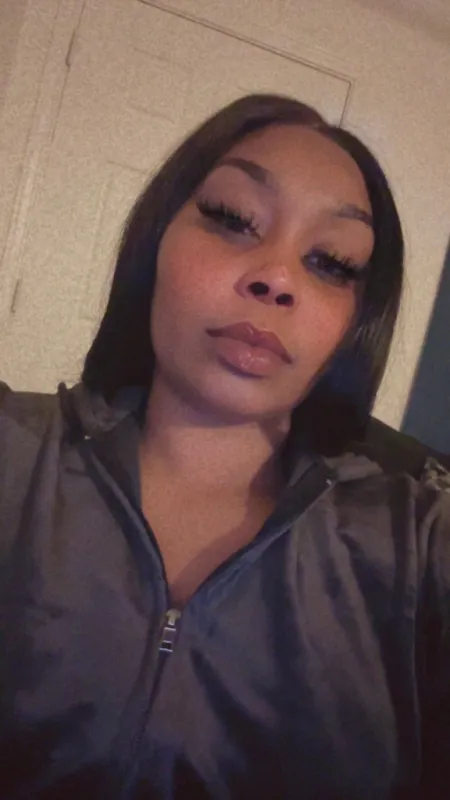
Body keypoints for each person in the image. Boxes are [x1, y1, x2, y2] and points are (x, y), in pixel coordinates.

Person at [0, 93, 449, 799]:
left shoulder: (417, 547)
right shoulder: (13, 453)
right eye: (233, 219)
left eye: (331, 261)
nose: (277, 277)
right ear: (156, 241)